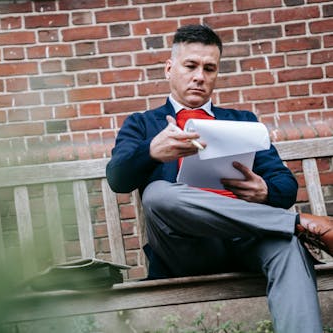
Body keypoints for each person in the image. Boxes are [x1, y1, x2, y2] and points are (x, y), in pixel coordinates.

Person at [106, 24, 333, 333]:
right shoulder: (143, 125)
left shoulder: (243, 122)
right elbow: (118, 178)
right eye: (191, 66)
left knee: (287, 247)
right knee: (158, 194)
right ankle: (298, 225)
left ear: (216, 74)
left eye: (209, 68)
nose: (200, 76)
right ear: (169, 68)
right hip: (184, 248)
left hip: (246, 241)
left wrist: (265, 190)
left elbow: (285, 185)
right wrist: (151, 152)